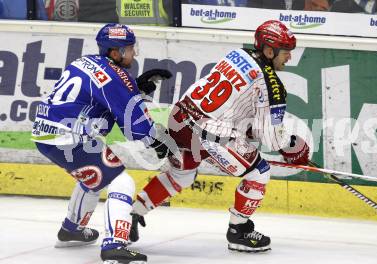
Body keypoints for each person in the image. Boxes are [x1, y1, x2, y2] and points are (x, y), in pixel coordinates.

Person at [129, 20, 310, 252]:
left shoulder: (237, 54)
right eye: (286, 52)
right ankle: (239, 230)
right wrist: (292, 147)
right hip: (208, 132)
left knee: (181, 173)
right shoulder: (272, 86)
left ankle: (135, 212)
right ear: (268, 50)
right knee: (259, 172)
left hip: (180, 117)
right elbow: (271, 138)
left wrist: (247, 130)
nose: (289, 58)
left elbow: (234, 107)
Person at [31, 23, 173, 263]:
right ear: (115, 52)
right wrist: (157, 141)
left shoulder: (84, 62)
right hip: (70, 138)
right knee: (121, 180)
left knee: (94, 177)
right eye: (129, 49)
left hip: (45, 135)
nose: (134, 53)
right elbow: (135, 126)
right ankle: (114, 245)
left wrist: (134, 89)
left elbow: (102, 98)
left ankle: (71, 229)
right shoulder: (116, 76)